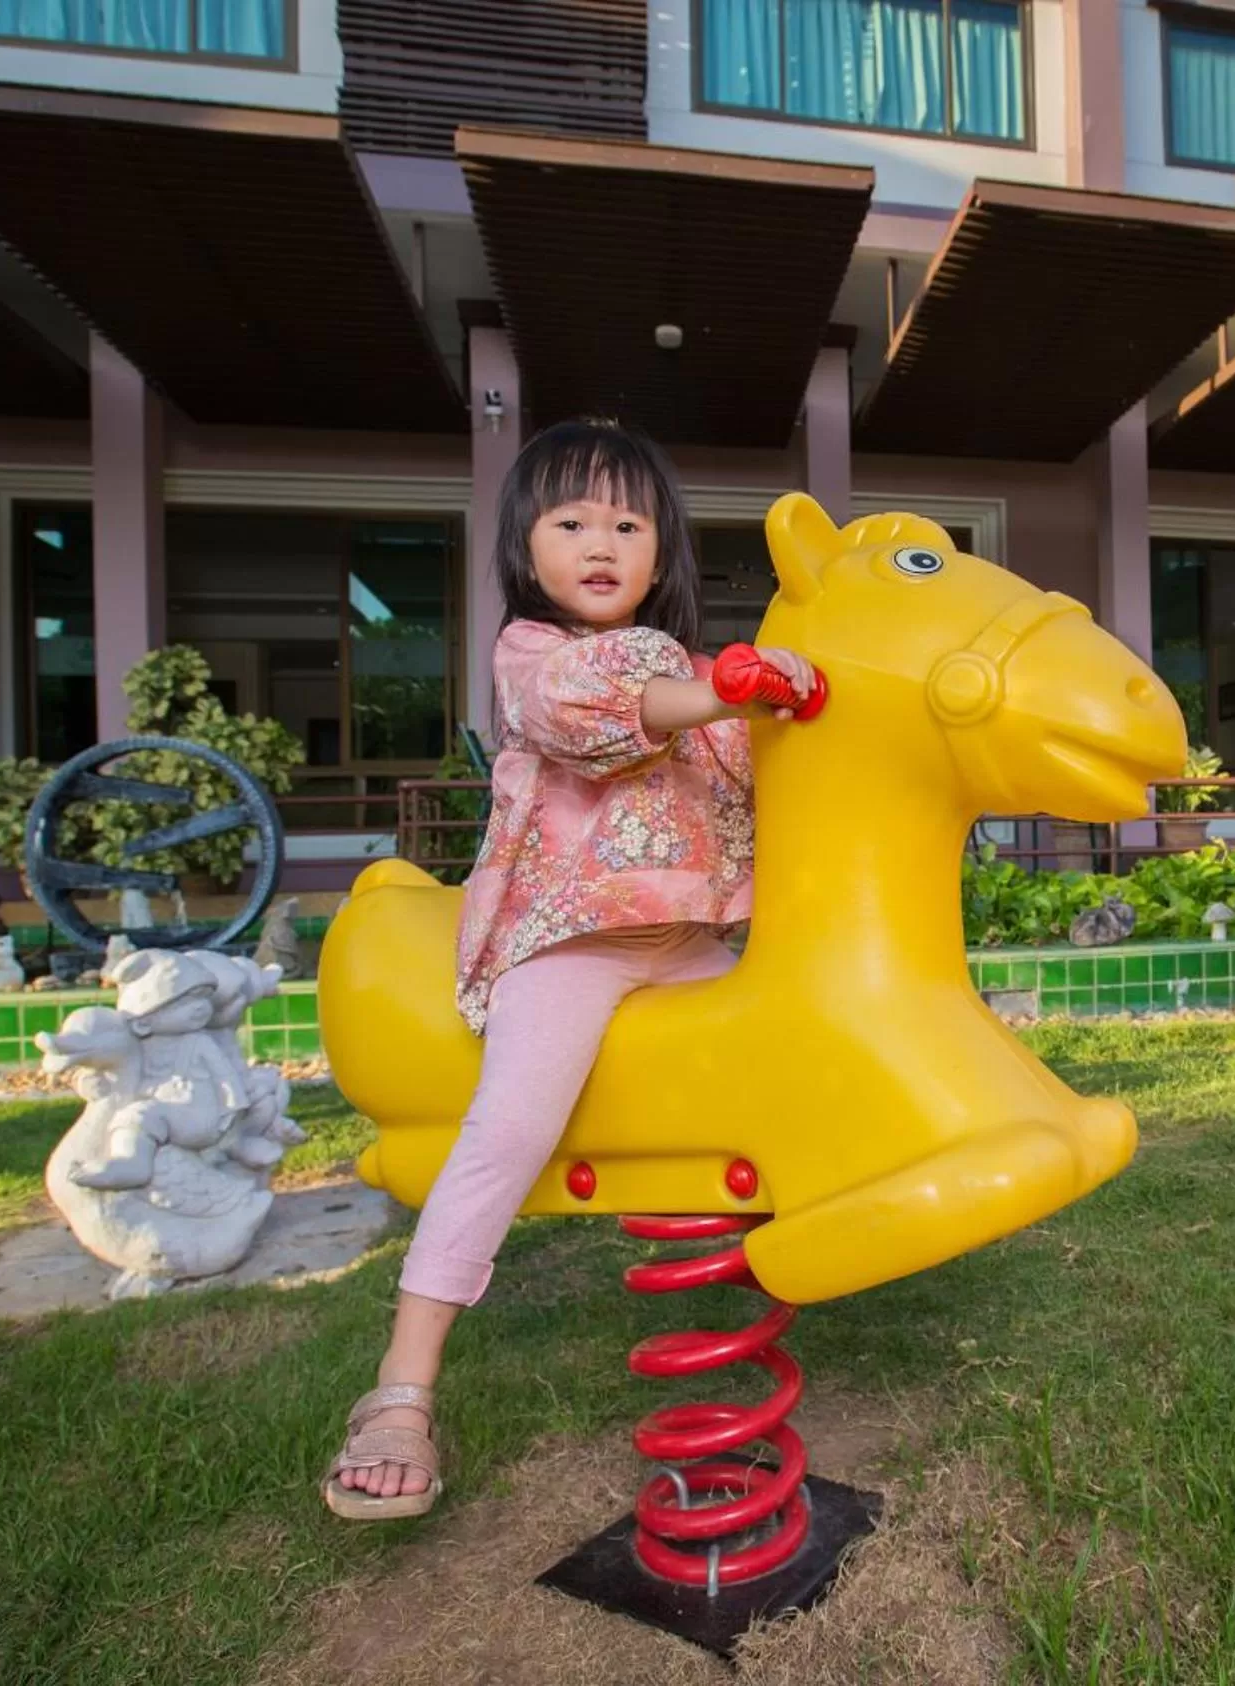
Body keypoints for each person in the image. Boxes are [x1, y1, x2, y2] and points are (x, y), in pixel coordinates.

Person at [323, 419, 816, 1520]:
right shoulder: (533, 656)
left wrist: (787, 692)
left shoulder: (693, 668)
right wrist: (729, 692)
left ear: (663, 549)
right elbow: (605, 712)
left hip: (684, 942)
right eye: (572, 521)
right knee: (507, 1130)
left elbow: (758, 762)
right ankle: (402, 1386)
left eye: (629, 525)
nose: (602, 543)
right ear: (525, 544)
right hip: (570, 941)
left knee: (792, 1073)